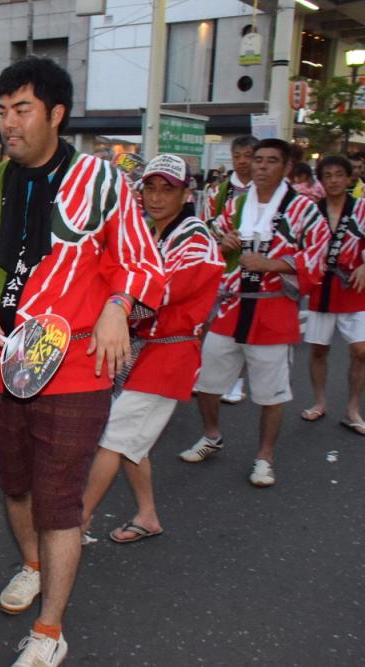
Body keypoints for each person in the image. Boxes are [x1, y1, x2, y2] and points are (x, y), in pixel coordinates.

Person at [0, 57, 164, 667]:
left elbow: (144, 263)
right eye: (2, 111)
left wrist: (120, 304)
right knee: (14, 483)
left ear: (56, 114)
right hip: (3, 363)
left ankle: (50, 629)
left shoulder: (103, 181)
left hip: (75, 366)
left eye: (22, 110)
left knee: (58, 498)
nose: (8, 124)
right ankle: (33, 565)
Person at [81, 154, 224, 544]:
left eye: (168, 189)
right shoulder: (151, 233)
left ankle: (77, 522)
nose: (157, 197)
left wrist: (116, 296)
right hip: (147, 348)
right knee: (132, 440)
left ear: (185, 194)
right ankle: (147, 515)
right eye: (150, 187)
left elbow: (160, 290)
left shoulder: (196, 238)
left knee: (114, 437)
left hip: (169, 353)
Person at [180, 138, 329, 487]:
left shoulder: (303, 210)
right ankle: (212, 436)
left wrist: (271, 264)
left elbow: (319, 257)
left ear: (286, 167)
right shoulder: (238, 203)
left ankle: (265, 456)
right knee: (206, 383)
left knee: (270, 393)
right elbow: (208, 236)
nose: (260, 166)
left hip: (273, 310)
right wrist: (222, 242)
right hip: (231, 305)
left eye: (270, 161)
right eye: (257, 160)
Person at [300, 155, 365, 434]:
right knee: (318, 349)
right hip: (321, 287)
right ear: (321, 181)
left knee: (361, 351)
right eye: (328, 175)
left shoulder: (362, 208)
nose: (334, 180)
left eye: (340, 174)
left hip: (354, 286)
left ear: (349, 178)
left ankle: (352, 408)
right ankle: (320, 402)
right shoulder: (313, 211)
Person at [201, 135, 258, 404]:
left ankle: (237, 380)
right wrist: (220, 241)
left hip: (255, 269)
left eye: (249, 156)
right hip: (222, 266)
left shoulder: (268, 190)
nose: (243, 162)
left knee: (245, 323)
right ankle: (207, 375)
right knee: (211, 322)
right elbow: (206, 227)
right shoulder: (219, 192)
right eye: (238, 157)